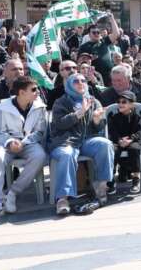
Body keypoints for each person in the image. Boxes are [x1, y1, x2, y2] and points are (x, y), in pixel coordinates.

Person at [0, 76, 48, 223]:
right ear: (21, 92)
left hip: (29, 143)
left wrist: (24, 142)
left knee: (40, 156)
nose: (38, 92)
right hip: (7, 144)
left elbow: (40, 131)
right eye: (34, 89)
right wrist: (10, 142)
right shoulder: (2, 107)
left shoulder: (40, 106)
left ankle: (12, 193)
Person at [49, 73, 114, 215]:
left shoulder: (93, 101)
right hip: (66, 141)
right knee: (67, 154)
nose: (80, 83)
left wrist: (97, 120)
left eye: (83, 80)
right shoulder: (61, 102)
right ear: (69, 85)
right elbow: (60, 124)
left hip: (87, 140)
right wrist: (80, 112)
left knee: (105, 144)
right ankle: (62, 198)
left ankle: (101, 187)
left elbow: (100, 126)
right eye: (76, 81)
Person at [107, 91, 141, 194]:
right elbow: (112, 132)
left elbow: (139, 132)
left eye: (124, 102)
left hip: (133, 141)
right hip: (118, 141)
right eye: (119, 102)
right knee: (112, 150)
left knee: (134, 149)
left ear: (131, 104)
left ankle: (136, 178)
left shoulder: (137, 117)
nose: (120, 104)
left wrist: (130, 139)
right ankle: (111, 180)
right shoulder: (115, 117)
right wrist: (119, 140)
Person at [78, 15, 121, 87]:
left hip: (109, 75)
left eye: (98, 32)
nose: (96, 34)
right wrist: (90, 60)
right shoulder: (84, 47)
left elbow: (116, 34)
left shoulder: (104, 41)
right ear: (89, 34)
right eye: (94, 32)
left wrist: (112, 18)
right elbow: (80, 62)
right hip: (96, 76)